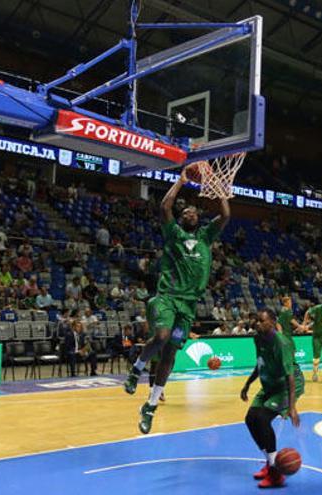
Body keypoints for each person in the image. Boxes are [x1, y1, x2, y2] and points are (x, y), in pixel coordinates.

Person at [122, 162, 230, 434]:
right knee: (160, 336)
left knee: (170, 353)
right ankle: (137, 368)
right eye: (187, 211)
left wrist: (219, 190)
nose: (191, 212)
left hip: (188, 305)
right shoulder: (174, 233)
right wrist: (181, 180)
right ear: (182, 219)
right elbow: (164, 208)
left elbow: (226, 215)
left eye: (195, 211)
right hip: (168, 296)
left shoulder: (206, 237)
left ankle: (150, 405)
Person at [240, 308, 303, 489]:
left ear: (273, 322)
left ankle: (276, 474)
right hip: (270, 383)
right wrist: (247, 384)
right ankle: (270, 462)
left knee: (262, 418)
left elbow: (290, 377)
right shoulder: (257, 338)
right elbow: (261, 363)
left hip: (286, 385)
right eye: (257, 321)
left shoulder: (281, 343)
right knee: (250, 419)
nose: (257, 324)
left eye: (262, 321)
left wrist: (291, 407)